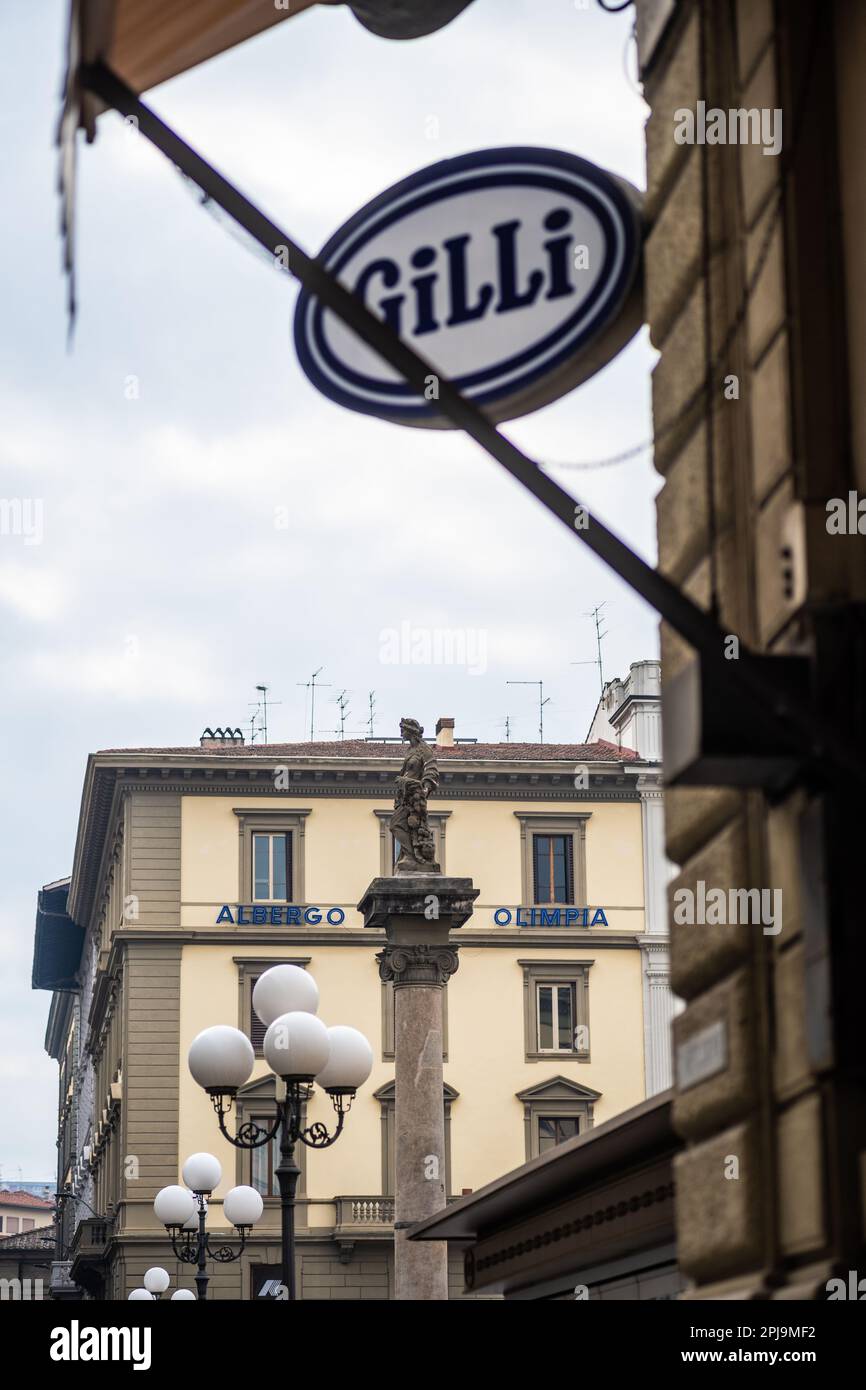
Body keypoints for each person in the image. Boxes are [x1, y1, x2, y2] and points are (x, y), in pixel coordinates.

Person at [389, 718, 440, 873]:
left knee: (396, 824)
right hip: (405, 795)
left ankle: (412, 857)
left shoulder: (424, 749)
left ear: (410, 731)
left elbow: (431, 768)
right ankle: (407, 856)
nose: (400, 733)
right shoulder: (409, 751)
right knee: (401, 825)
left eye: (403, 729)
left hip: (415, 795)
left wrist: (426, 786)